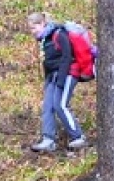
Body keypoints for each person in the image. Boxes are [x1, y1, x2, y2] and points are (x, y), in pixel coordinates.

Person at [27, 13, 87, 154]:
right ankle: (48, 139)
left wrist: (60, 81)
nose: (32, 31)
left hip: (67, 74)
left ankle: (78, 136)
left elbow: (67, 56)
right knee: (48, 106)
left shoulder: (59, 34)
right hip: (52, 77)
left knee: (60, 105)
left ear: (42, 23)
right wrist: (48, 81)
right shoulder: (44, 39)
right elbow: (48, 62)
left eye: (33, 27)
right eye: (30, 28)